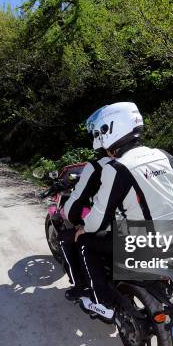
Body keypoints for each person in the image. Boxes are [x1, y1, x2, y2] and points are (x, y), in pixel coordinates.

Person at [73, 102, 173, 320]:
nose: (98, 138)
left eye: (99, 132)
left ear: (110, 130)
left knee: (84, 243)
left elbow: (98, 219)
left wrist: (83, 228)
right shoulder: (164, 155)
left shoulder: (116, 168)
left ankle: (102, 303)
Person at [60, 107, 112, 301]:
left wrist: (76, 221)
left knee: (68, 238)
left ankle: (82, 287)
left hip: (117, 231)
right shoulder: (156, 157)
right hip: (156, 229)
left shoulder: (97, 166)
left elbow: (74, 206)